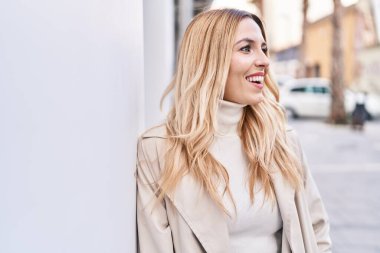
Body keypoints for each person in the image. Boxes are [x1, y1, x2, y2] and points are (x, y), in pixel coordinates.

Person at [136, 8, 331, 253]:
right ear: (209, 59)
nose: (264, 60)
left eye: (263, 48)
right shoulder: (157, 149)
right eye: (246, 48)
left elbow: (316, 230)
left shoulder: (281, 141)